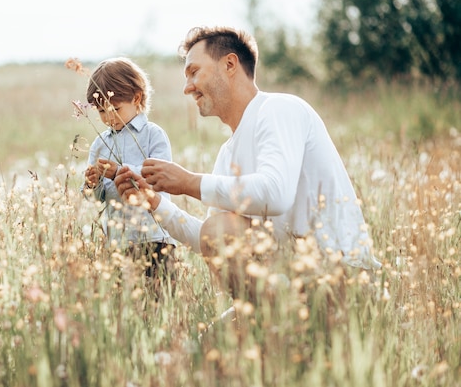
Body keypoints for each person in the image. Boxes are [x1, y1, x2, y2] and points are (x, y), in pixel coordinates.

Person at [114, 26, 381, 301]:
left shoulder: (279, 109)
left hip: (341, 279)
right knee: (210, 339)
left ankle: (276, 329)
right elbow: (206, 239)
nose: (187, 87)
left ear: (230, 64)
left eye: (194, 72)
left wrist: (188, 182)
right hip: (297, 283)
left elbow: (275, 194)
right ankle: (273, 328)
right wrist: (154, 203)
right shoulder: (228, 154)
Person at [80, 57, 176, 295]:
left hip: (155, 236)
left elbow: (159, 176)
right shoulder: (100, 144)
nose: (108, 118)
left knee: (159, 302)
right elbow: (97, 198)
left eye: (115, 109)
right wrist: (92, 184)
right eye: (101, 111)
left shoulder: (154, 135)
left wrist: (120, 172)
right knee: (125, 308)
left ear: (137, 98)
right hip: (119, 242)